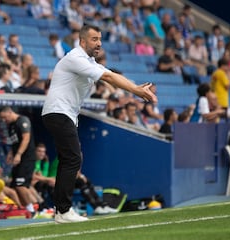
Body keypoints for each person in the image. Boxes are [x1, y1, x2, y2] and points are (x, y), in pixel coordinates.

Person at [41, 25, 157, 223]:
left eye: (100, 39)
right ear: (83, 41)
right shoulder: (75, 58)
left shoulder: (89, 61)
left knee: (70, 159)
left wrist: (135, 87)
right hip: (58, 112)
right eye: (94, 39)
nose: (99, 43)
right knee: (72, 159)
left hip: (63, 114)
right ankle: (63, 211)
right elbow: (109, 77)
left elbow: (111, 75)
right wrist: (136, 91)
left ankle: (61, 210)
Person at [0, 106, 37, 216]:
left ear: (10, 112)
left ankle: (33, 209)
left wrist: (19, 154)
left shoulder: (23, 121)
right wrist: (11, 153)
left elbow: (26, 138)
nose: (4, 120)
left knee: (21, 185)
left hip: (26, 158)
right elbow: (14, 142)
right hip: (18, 159)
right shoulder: (10, 126)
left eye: (4, 117)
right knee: (16, 185)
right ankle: (28, 209)